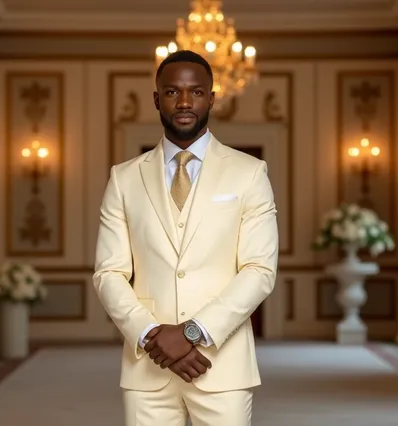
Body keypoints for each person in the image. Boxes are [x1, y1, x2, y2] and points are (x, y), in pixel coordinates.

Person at [93, 50, 279, 426]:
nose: (184, 102)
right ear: (157, 99)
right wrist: (149, 335)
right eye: (173, 92)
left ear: (211, 99)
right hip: (148, 365)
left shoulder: (249, 172)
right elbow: (108, 273)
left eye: (195, 92)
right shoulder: (124, 178)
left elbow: (259, 270)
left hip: (221, 364)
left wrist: (193, 332)